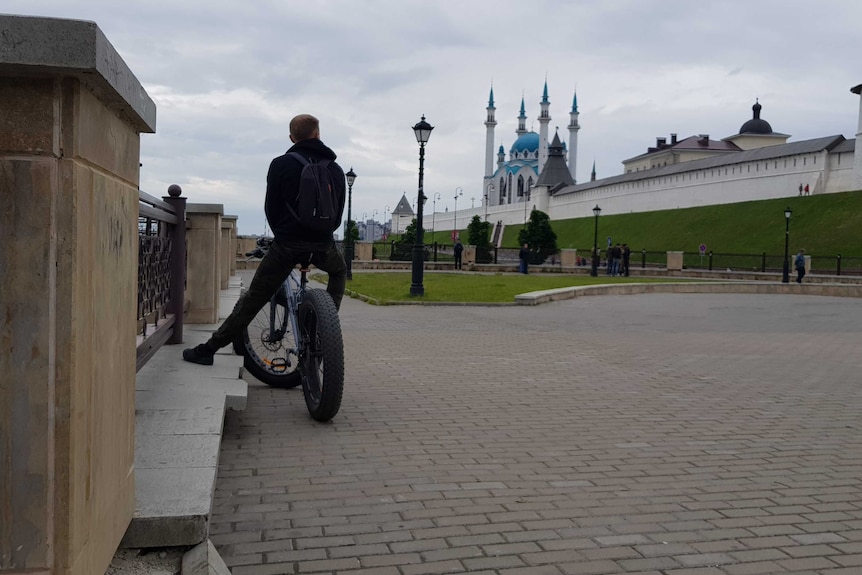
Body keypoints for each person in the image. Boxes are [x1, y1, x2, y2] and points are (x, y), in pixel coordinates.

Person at [183, 114, 347, 366]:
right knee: (339, 272)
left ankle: (208, 350)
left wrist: (284, 236)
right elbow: (337, 212)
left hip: (287, 245)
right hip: (323, 244)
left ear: (292, 138)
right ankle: (322, 327)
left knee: (254, 298)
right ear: (318, 134)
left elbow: (271, 208)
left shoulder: (281, 164)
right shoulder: (334, 169)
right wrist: (323, 235)